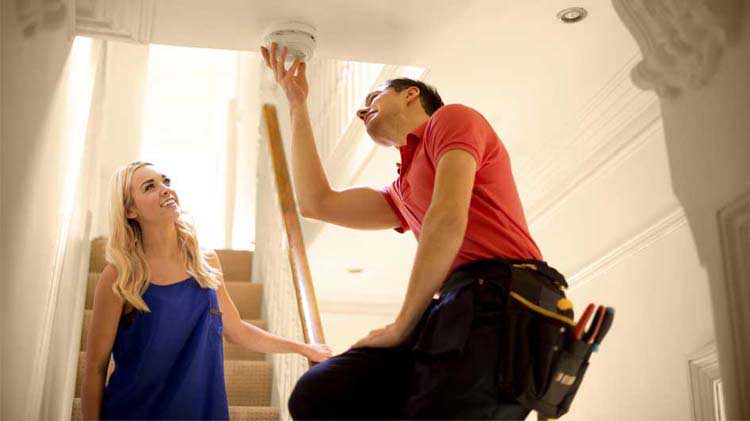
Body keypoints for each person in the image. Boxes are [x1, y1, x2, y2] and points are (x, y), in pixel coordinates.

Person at [261, 43, 562, 420]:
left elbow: (447, 218)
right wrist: (297, 104)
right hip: (456, 303)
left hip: (503, 292)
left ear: (410, 93)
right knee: (320, 392)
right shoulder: (401, 190)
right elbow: (316, 203)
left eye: (374, 97)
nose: (361, 110)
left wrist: (403, 324)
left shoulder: (451, 119)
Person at [80, 161, 332, 420]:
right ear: (130, 210)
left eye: (166, 182)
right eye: (150, 187)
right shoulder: (120, 275)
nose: (165, 189)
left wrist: (303, 348)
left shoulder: (204, 262)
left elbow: (237, 330)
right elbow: (95, 367)